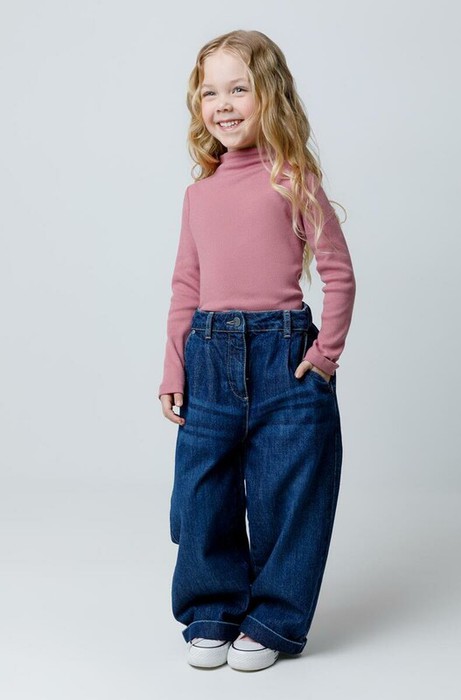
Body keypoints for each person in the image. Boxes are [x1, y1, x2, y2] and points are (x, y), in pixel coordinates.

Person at [158, 29, 357, 672]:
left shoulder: (293, 179)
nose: (223, 104)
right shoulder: (199, 195)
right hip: (209, 357)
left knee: (288, 494)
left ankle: (274, 617)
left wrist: (324, 356)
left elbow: (338, 273)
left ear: (269, 95)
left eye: (238, 88)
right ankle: (212, 610)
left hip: (284, 359)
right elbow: (186, 286)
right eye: (209, 92)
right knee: (204, 494)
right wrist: (173, 365)